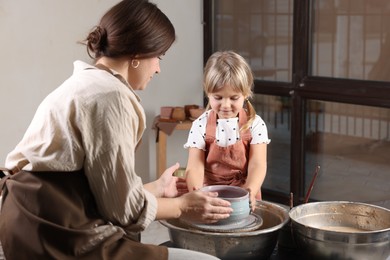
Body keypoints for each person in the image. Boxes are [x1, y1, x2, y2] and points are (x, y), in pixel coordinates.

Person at [0, 1, 232, 259]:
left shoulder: (86, 82)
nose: (157, 68)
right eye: (158, 57)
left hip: (26, 223)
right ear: (137, 54)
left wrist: (155, 188)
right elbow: (123, 211)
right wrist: (182, 207)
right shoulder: (111, 97)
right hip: (58, 234)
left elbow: (97, 192)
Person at [184, 51, 270, 209]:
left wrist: (250, 190)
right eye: (218, 97)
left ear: (245, 94)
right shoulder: (200, 125)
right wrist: (197, 194)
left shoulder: (255, 124)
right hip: (209, 196)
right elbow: (195, 166)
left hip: (245, 194)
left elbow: (258, 164)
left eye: (233, 98)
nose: (225, 105)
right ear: (208, 93)